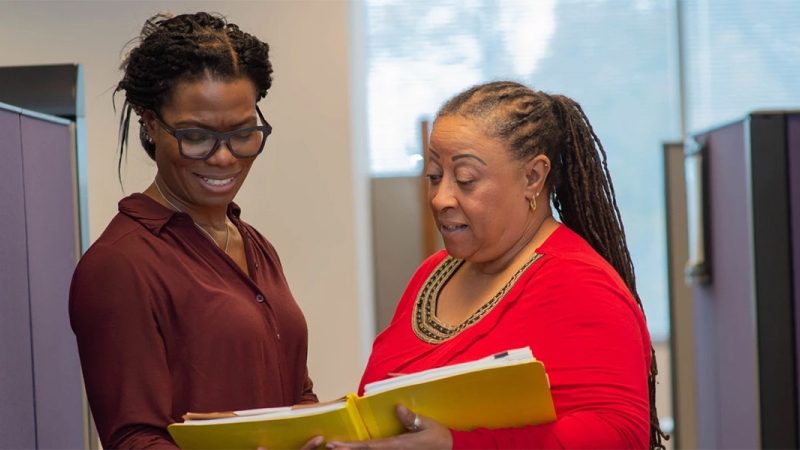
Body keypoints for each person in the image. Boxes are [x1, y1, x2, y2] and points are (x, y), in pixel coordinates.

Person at [327, 81, 667, 450]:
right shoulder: (432, 274)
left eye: (466, 179)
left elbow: (619, 436)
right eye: (434, 176)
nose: (441, 198)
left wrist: (455, 445)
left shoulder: (580, 283)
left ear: (532, 177)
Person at [69, 12, 321, 449]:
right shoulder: (121, 265)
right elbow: (134, 440)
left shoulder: (254, 243)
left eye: (243, 133)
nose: (224, 158)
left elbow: (294, 394)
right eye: (197, 136)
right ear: (150, 124)